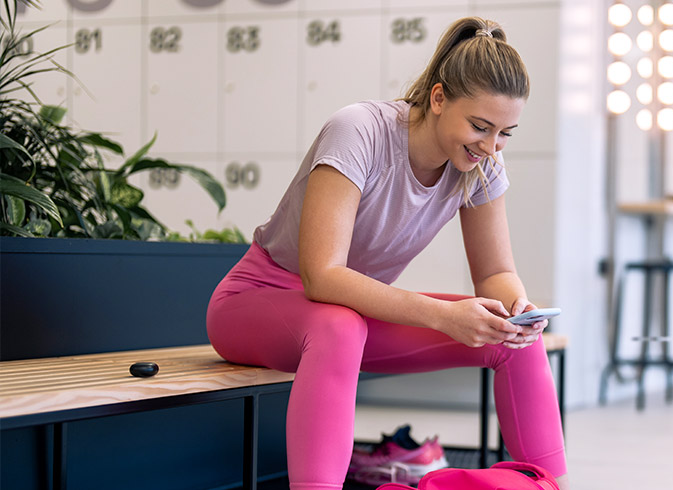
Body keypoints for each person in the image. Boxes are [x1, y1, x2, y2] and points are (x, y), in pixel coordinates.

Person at [205, 17, 568, 490]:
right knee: (339, 325)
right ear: (438, 98)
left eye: (505, 133)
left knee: (513, 339)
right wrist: (440, 315)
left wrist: (517, 308)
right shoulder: (359, 131)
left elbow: (497, 271)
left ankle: (553, 483)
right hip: (258, 300)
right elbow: (322, 277)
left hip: (350, 316)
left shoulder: (480, 166)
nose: (491, 146)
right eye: (480, 126)